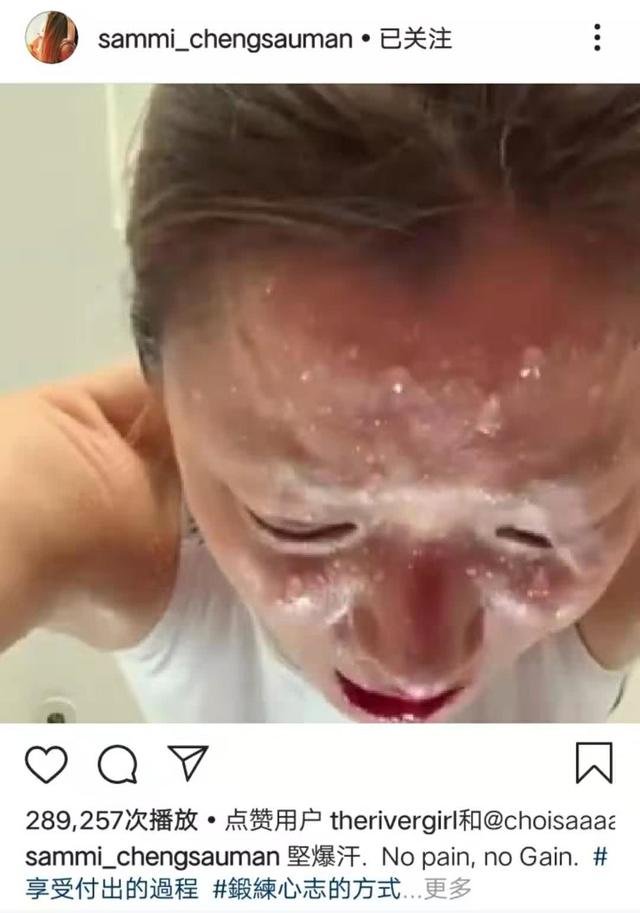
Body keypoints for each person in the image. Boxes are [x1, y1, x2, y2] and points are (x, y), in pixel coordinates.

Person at [3, 84, 640, 723]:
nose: (414, 661)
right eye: (301, 525)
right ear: (160, 386)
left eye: (535, 536)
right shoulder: (110, 490)